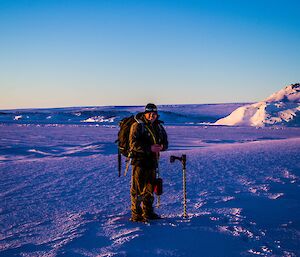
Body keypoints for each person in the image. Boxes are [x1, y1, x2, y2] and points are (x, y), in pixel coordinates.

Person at [129, 103, 168, 222]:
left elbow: (166, 143)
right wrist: (149, 148)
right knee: (138, 188)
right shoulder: (137, 125)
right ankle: (136, 214)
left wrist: (161, 147)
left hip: (153, 161)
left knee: (150, 188)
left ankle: (148, 212)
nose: (152, 115)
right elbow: (133, 144)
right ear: (145, 114)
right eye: (150, 113)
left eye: (154, 113)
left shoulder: (158, 127)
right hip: (139, 162)